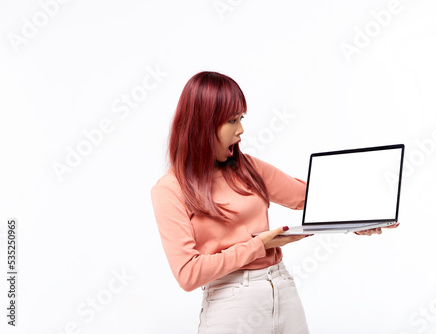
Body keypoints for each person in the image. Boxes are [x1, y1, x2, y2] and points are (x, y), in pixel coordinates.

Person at [150, 71, 398, 334]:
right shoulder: (170, 189)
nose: (241, 130)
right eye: (231, 120)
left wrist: (361, 218)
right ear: (203, 125)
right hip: (231, 304)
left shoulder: (248, 168)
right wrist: (258, 245)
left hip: (282, 288)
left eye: (241, 118)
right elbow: (188, 274)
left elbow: (308, 197)